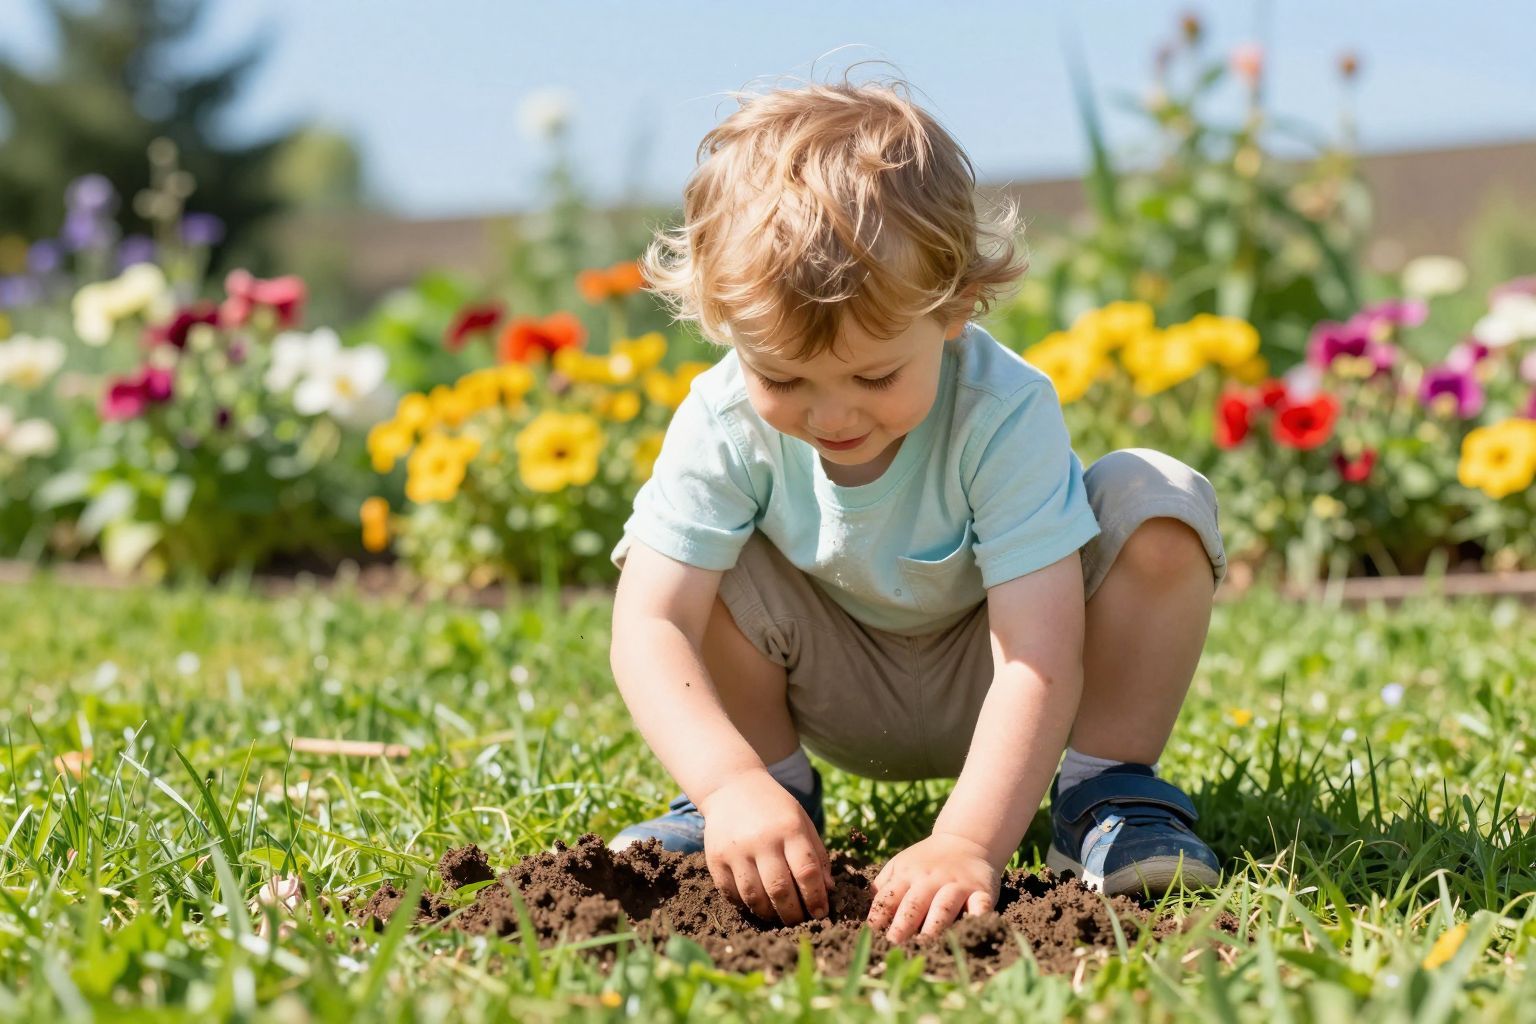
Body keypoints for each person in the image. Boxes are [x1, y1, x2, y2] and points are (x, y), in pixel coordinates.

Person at [605, 75, 1227, 944]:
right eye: (783, 378)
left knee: (1157, 499)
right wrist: (726, 783)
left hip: (1004, 674)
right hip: (827, 679)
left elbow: (1039, 654)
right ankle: (768, 805)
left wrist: (968, 841)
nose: (832, 416)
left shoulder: (1001, 411)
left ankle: (1103, 793)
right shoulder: (723, 422)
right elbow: (650, 626)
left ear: (954, 309)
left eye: (873, 376)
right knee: (682, 557)